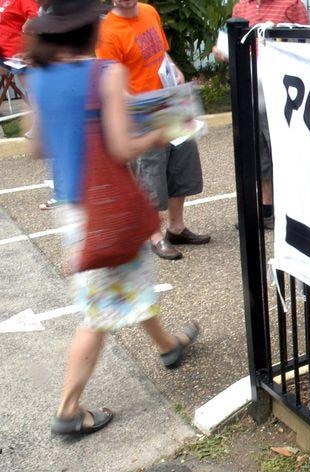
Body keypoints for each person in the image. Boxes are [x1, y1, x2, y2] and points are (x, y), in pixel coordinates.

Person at [25, 0, 200, 437]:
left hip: (74, 206)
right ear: (90, 30)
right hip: (108, 209)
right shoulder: (105, 75)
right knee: (98, 311)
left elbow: (37, 147)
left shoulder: (37, 77)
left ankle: (169, 346)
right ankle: (68, 410)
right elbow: (124, 148)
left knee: (127, 279)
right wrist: (166, 129)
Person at [96, 0, 210, 260]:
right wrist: (131, 104)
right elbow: (110, 76)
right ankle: (154, 236)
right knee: (150, 175)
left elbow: (161, 52)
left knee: (182, 164)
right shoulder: (108, 31)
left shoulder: (149, 12)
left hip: (169, 99)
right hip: (143, 110)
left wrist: (175, 68)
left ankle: (177, 226)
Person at [212, 0, 310, 230]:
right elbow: (230, 42)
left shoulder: (291, 4)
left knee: (285, 149)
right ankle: (266, 208)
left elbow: (307, 43)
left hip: (281, 91)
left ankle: (295, 209)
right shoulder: (241, 7)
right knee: (257, 151)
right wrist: (221, 52)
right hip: (250, 89)